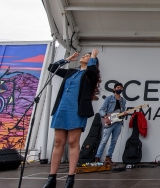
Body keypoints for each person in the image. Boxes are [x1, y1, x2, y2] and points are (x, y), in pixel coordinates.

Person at [43, 49, 100, 188]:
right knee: (58, 142)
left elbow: (93, 71)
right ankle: (52, 178)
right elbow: (52, 68)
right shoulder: (71, 72)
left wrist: (93, 57)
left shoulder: (89, 74)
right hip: (62, 109)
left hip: (76, 110)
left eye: (87, 56)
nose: (85, 56)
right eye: (85, 55)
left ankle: (70, 177)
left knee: (73, 142)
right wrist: (67, 59)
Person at [95, 82, 128, 165]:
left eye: (120, 87)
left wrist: (124, 114)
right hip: (109, 122)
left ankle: (108, 157)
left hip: (118, 123)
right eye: (117, 87)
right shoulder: (109, 99)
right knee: (104, 141)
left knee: (113, 141)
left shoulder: (123, 101)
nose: (119, 89)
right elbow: (101, 110)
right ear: (114, 89)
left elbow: (121, 112)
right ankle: (97, 157)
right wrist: (106, 118)